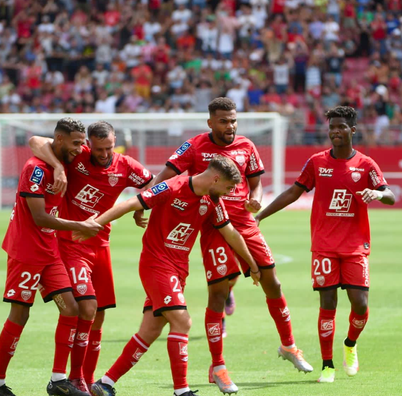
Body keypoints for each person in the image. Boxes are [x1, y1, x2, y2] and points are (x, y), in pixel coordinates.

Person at [141, 97, 313, 393]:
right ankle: (218, 366)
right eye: (223, 121)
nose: (230, 126)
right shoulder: (194, 146)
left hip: (245, 224)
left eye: (233, 120)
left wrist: (256, 197)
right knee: (218, 294)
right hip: (213, 227)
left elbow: (255, 180)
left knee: (272, 282)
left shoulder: (246, 145)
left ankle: (289, 346)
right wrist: (145, 198)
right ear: (211, 122)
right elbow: (168, 174)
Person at [74, 155, 260, 396]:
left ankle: (105, 383)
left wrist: (252, 265)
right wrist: (95, 224)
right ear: (215, 178)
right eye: (227, 187)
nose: (228, 193)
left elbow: (232, 234)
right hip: (157, 265)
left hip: (177, 271)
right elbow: (131, 203)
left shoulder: (212, 200)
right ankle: (182, 391)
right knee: (183, 322)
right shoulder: (173, 187)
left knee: (150, 331)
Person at [255, 106, 395, 383]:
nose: (335, 132)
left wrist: (377, 194)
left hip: (355, 245)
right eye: (331, 127)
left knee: (361, 305)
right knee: (327, 303)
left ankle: (350, 344)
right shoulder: (317, 162)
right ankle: (328, 365)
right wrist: (260, 216)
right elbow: (293, 192)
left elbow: (389, 194)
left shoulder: (366, 164)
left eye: (341, 127)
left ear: (353, 131)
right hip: (324, 245)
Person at [28, 121, 154, 394]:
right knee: (87, 307)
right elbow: (36, 142)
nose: (104, 153)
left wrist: (139, 206)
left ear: (115, 141)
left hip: (101, 245)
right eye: (98, 149)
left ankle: (86, 377)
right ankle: (72, 378)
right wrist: (60, 167)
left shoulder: (126, 165)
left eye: (108, 147)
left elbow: (154, 183)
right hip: (71, 243)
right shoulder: (78, 156)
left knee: (98, 316)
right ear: (89, 145)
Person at [0, 118, 103, 396]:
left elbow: (38, 141)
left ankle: (58, 381)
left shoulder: (63, 160)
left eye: (82, 142)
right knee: (20, 313)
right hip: (26, 252)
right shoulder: (35, 169)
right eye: (75, 142)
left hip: (49, 252)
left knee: (70, 308)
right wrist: (80, 226)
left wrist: (61, 165)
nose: (80, 148)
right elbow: (38, 217)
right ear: (59, 140)